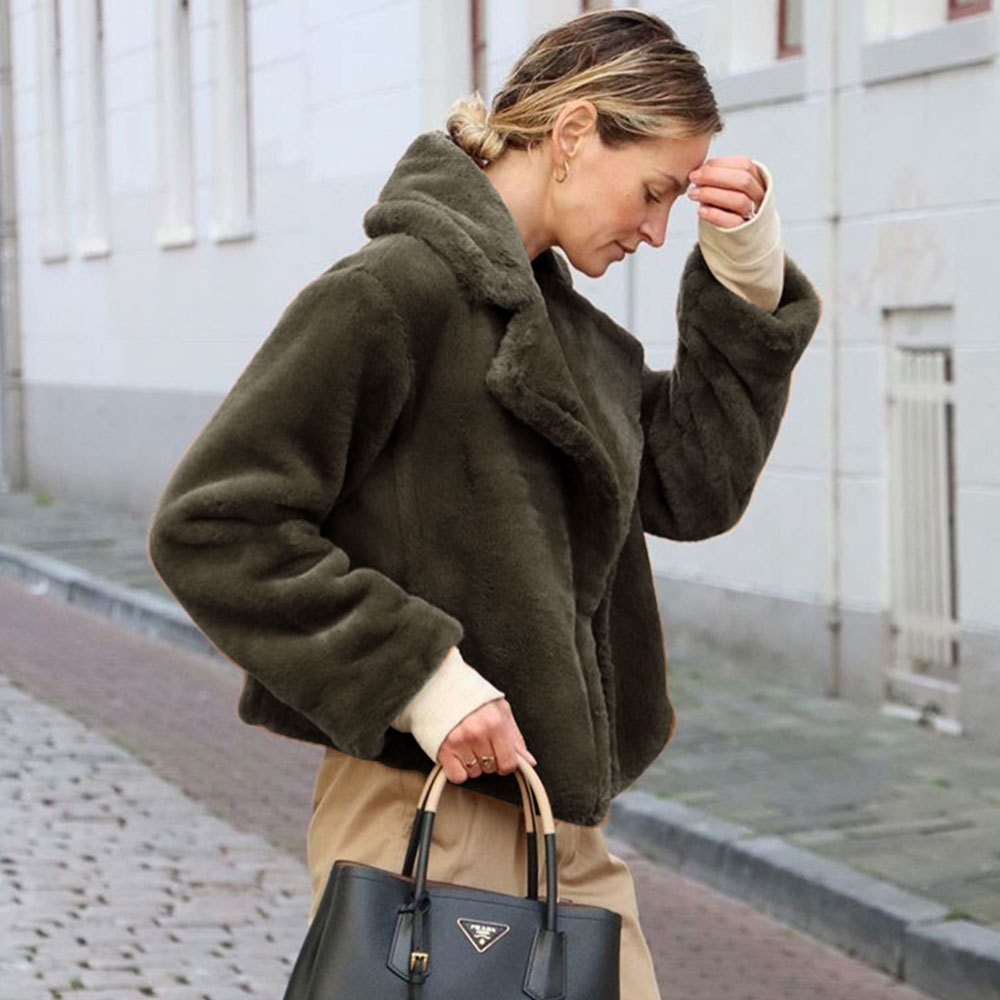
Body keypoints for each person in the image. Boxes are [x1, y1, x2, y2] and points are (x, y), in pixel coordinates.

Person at [147, 9, 822, 998]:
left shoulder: (569, 335)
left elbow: (692, 487)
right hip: (426, 817)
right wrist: (422, 677)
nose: (655, 230)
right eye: (653, 192)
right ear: (574, 132)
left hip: (557, 824)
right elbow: (213, 525)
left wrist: (745, 277)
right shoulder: (390, 293)